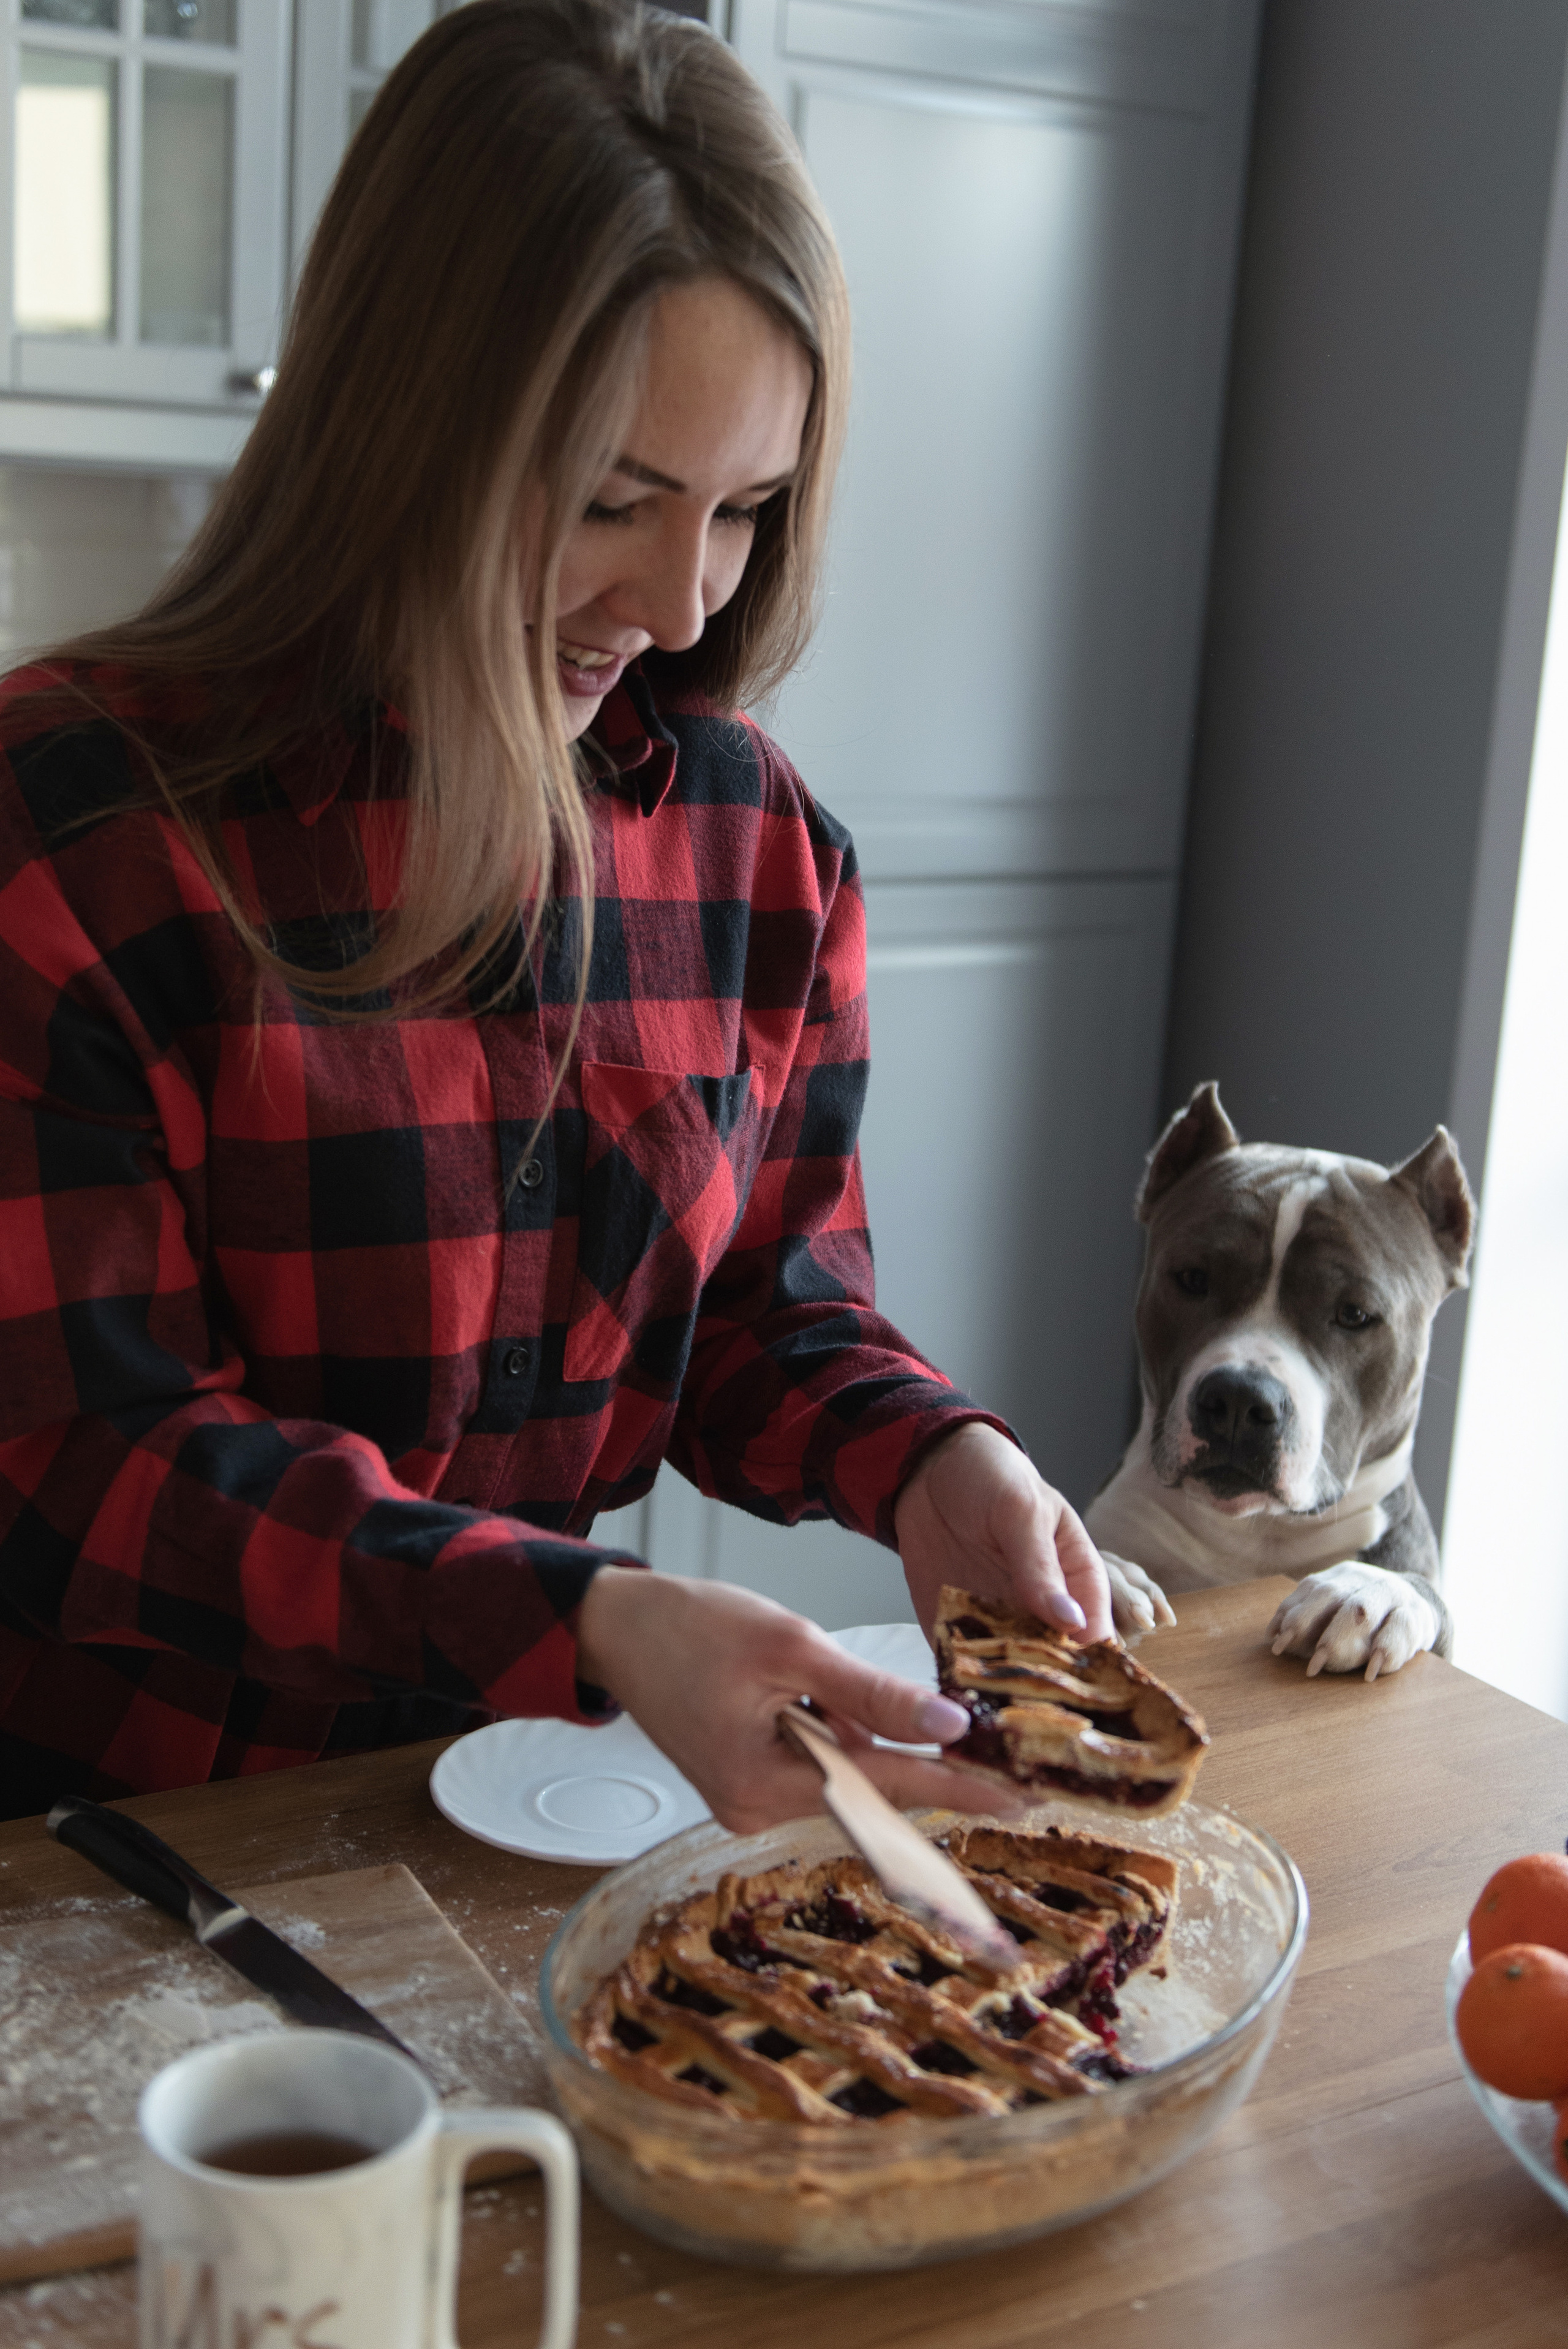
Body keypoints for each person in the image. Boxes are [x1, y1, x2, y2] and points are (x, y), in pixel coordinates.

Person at [0, 0, 1111, 1831]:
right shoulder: (78, 830)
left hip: (512, 1817)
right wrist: (583, 1614)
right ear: (401, 427)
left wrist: (930, 1459)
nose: (683, 603)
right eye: (617, 498)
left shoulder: (764, 855)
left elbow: (761, 1308)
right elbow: (86, 1460)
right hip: (112, 1860)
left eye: (747, 509)